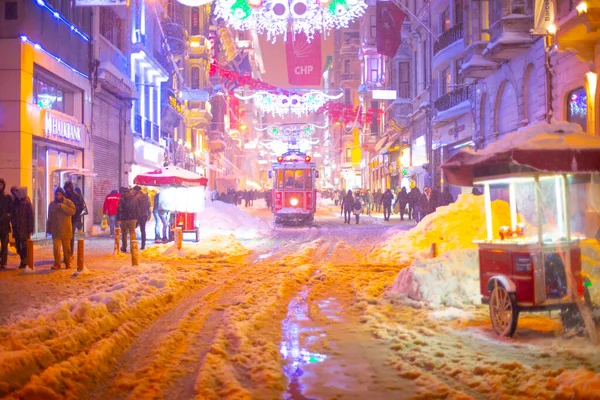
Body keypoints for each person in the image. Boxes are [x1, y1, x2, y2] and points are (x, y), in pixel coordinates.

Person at [47, 187, 76, 269]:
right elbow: (49, 217)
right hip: (55, 230)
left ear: (63, 195)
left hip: (66, 229)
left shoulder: (68, 202)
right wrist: (49, 228)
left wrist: (62, 206)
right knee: (56, 248)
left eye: (60, 194)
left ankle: (67, 263)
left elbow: (72, 211)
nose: (58, 196)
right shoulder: (52, 204)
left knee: (66, 248)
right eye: (57, 194)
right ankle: (57, 263)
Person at [10, 186, 34, 269]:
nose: (15, 195)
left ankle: (24, 261)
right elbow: (12, 214)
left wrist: (31, 228)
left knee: (24, 246)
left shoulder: (26, 202)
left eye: (16, 193)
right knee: (18, 247)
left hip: (24, 228)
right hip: (16, 227)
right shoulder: (15, 202)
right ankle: (23, 259)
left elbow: (30, 216)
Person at [63, 181, 84, 263]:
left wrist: (75, 213)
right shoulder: (64, 196)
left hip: (73, 219)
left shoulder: (76, 196)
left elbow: (81, 206)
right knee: (65, 237)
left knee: (70, 236)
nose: (68, 189)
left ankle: (70, 253)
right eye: (66, 188)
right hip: (65, 219)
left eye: (69, 188)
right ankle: (67, 252)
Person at [117, 187, 139, 253]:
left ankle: (124, 247)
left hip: (124, 219)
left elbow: (119, 209)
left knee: (124, 234)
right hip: (133, 219)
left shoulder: (122, 199)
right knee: (132, 233)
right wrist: (136, 217)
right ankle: (133, 248)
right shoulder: (134, 198)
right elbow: (137, 208)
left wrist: (118, 219)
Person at [133, 186, 150, 250]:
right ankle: (143, 245)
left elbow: (134, 207)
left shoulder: (135, 197)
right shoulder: (146, 196)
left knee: (133, 230)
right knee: (143, 230)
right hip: (144, 215)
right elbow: (148, 206)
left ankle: (133, 244)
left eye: (134, 190)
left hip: (137, 216)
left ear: (136, 190)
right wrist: (148, 214)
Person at [0, 179, 12, 269]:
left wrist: (7, 216)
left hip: (4, 225)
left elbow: (11, 211)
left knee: (4, 245)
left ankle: (3, 262)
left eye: (1, 185)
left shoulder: (7, 197)